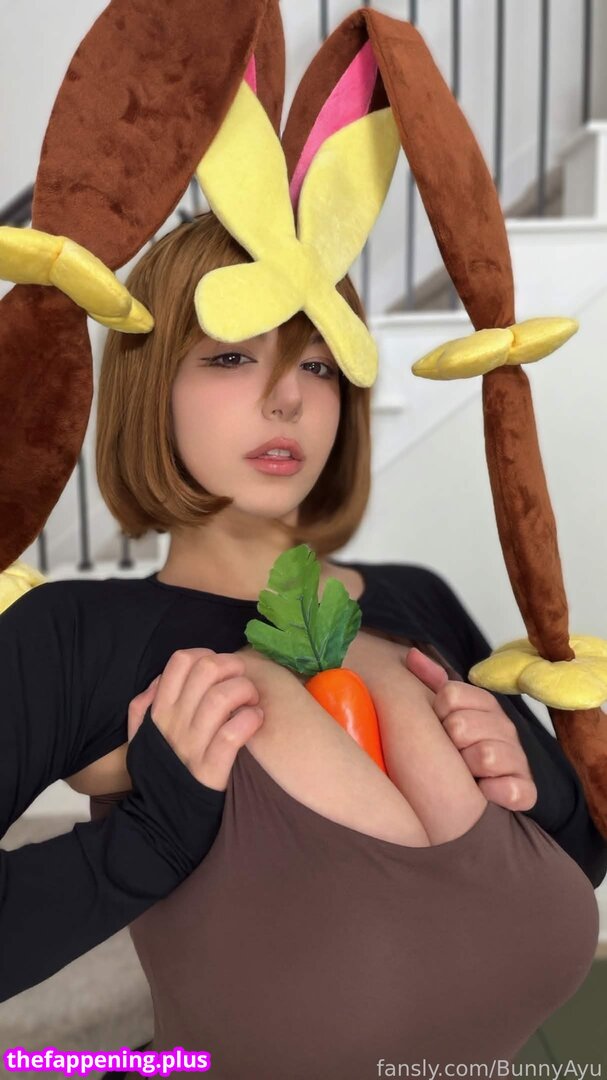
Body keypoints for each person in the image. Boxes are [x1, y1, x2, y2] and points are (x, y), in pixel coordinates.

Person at [1, 210, 601, 1075]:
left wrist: (534, 785)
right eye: (230, 357)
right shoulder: (73, 638)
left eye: (317, 364)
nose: (287, 396)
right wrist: (152, 839)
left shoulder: (415, 598)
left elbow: (573, 866)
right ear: (149, 383)